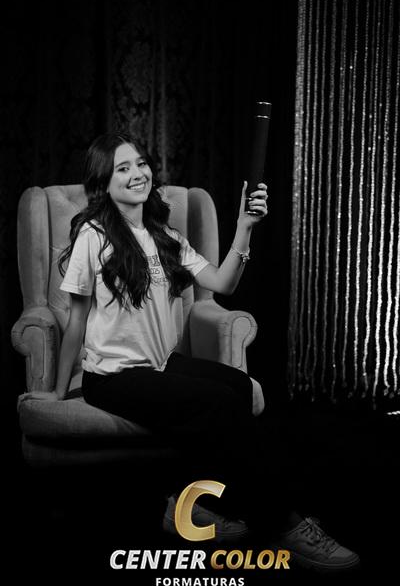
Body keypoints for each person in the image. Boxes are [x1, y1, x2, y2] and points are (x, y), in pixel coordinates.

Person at [18, 132, 359, 572]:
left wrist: (244, 228)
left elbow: (223, 284)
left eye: (141, 163)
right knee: (217, 402)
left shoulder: (164, 235)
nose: (138, 173)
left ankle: (191, 502)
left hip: (161, 365)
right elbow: (77, 321)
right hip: (114, 376)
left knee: (238, 386)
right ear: (104, 182)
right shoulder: (93, 235)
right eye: (123, 168)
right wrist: (60, 390)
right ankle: (285, 523)